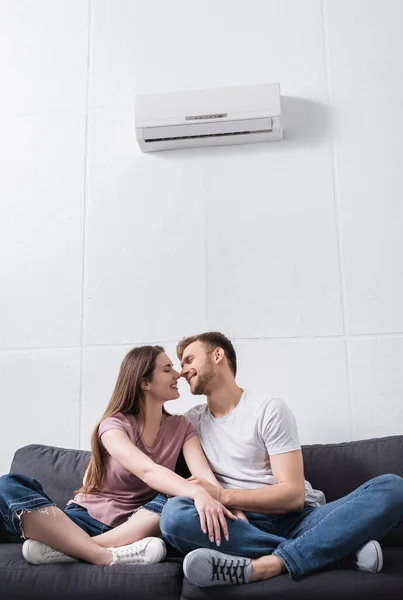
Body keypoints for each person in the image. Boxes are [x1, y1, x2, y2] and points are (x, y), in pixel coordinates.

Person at [158, 332, 403, 587]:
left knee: (393, 487)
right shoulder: (190, 423)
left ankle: (267, 565)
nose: (182, 371)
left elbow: (293, 496)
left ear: (217, 355)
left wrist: (221, 496)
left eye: (189, 360)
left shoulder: (267, 409)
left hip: (300, 520)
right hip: (240, 527)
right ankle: (335, 553)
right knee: (174, 517)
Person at [0, 345, 236, 566]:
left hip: (139, 523)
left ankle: (68, 549)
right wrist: (197, 491)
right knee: (8, 485)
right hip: (84, 521)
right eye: (167, 369)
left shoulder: (182, 426)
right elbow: (147, 470)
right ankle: (102, 555)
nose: (178, 374)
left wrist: (234, 512)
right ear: (145, 383)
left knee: (176, 497)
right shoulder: (114, 425)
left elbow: (206, 479)